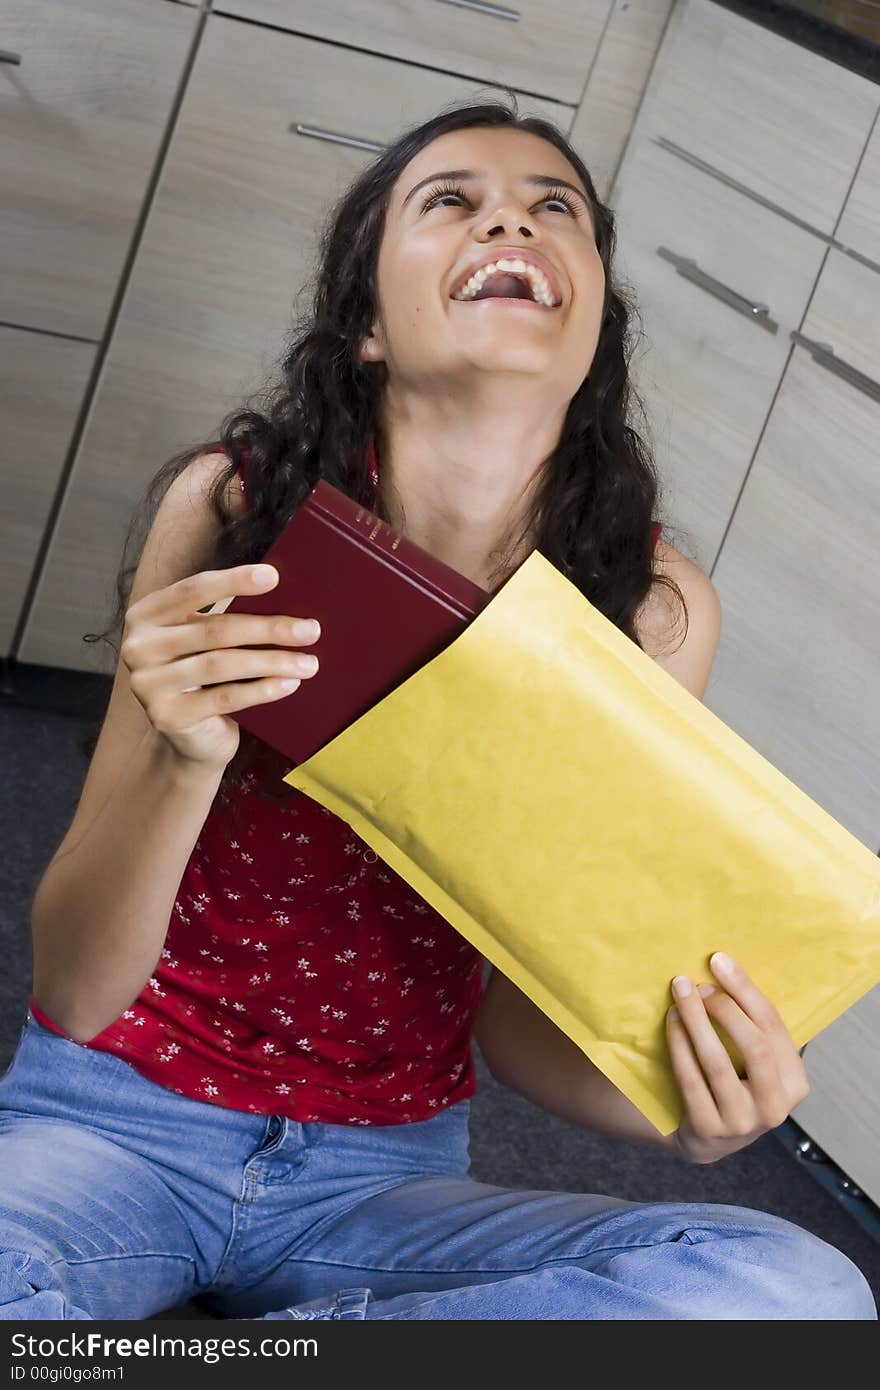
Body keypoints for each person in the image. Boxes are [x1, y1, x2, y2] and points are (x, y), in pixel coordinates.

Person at [1, 98, 874, 1321]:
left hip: (379, 1183)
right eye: (450, 199)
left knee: (792, 1291)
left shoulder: (649, 609)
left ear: (591, 326)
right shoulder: (234, 508)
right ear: (365, 322)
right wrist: (184, 760)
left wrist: (684, 1098)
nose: (510, 212)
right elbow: (79, 985)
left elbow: (522, 1031)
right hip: (110, 1123)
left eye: (552, 205)